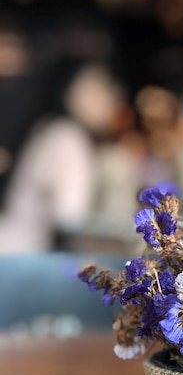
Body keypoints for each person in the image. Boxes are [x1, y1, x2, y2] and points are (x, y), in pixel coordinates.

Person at [0, 58, 125, 253]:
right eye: (97, 86)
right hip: (24, 257)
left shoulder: (50, 128)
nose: (110, 96)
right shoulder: (68, 137)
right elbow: (70, 220)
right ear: (69, 90)